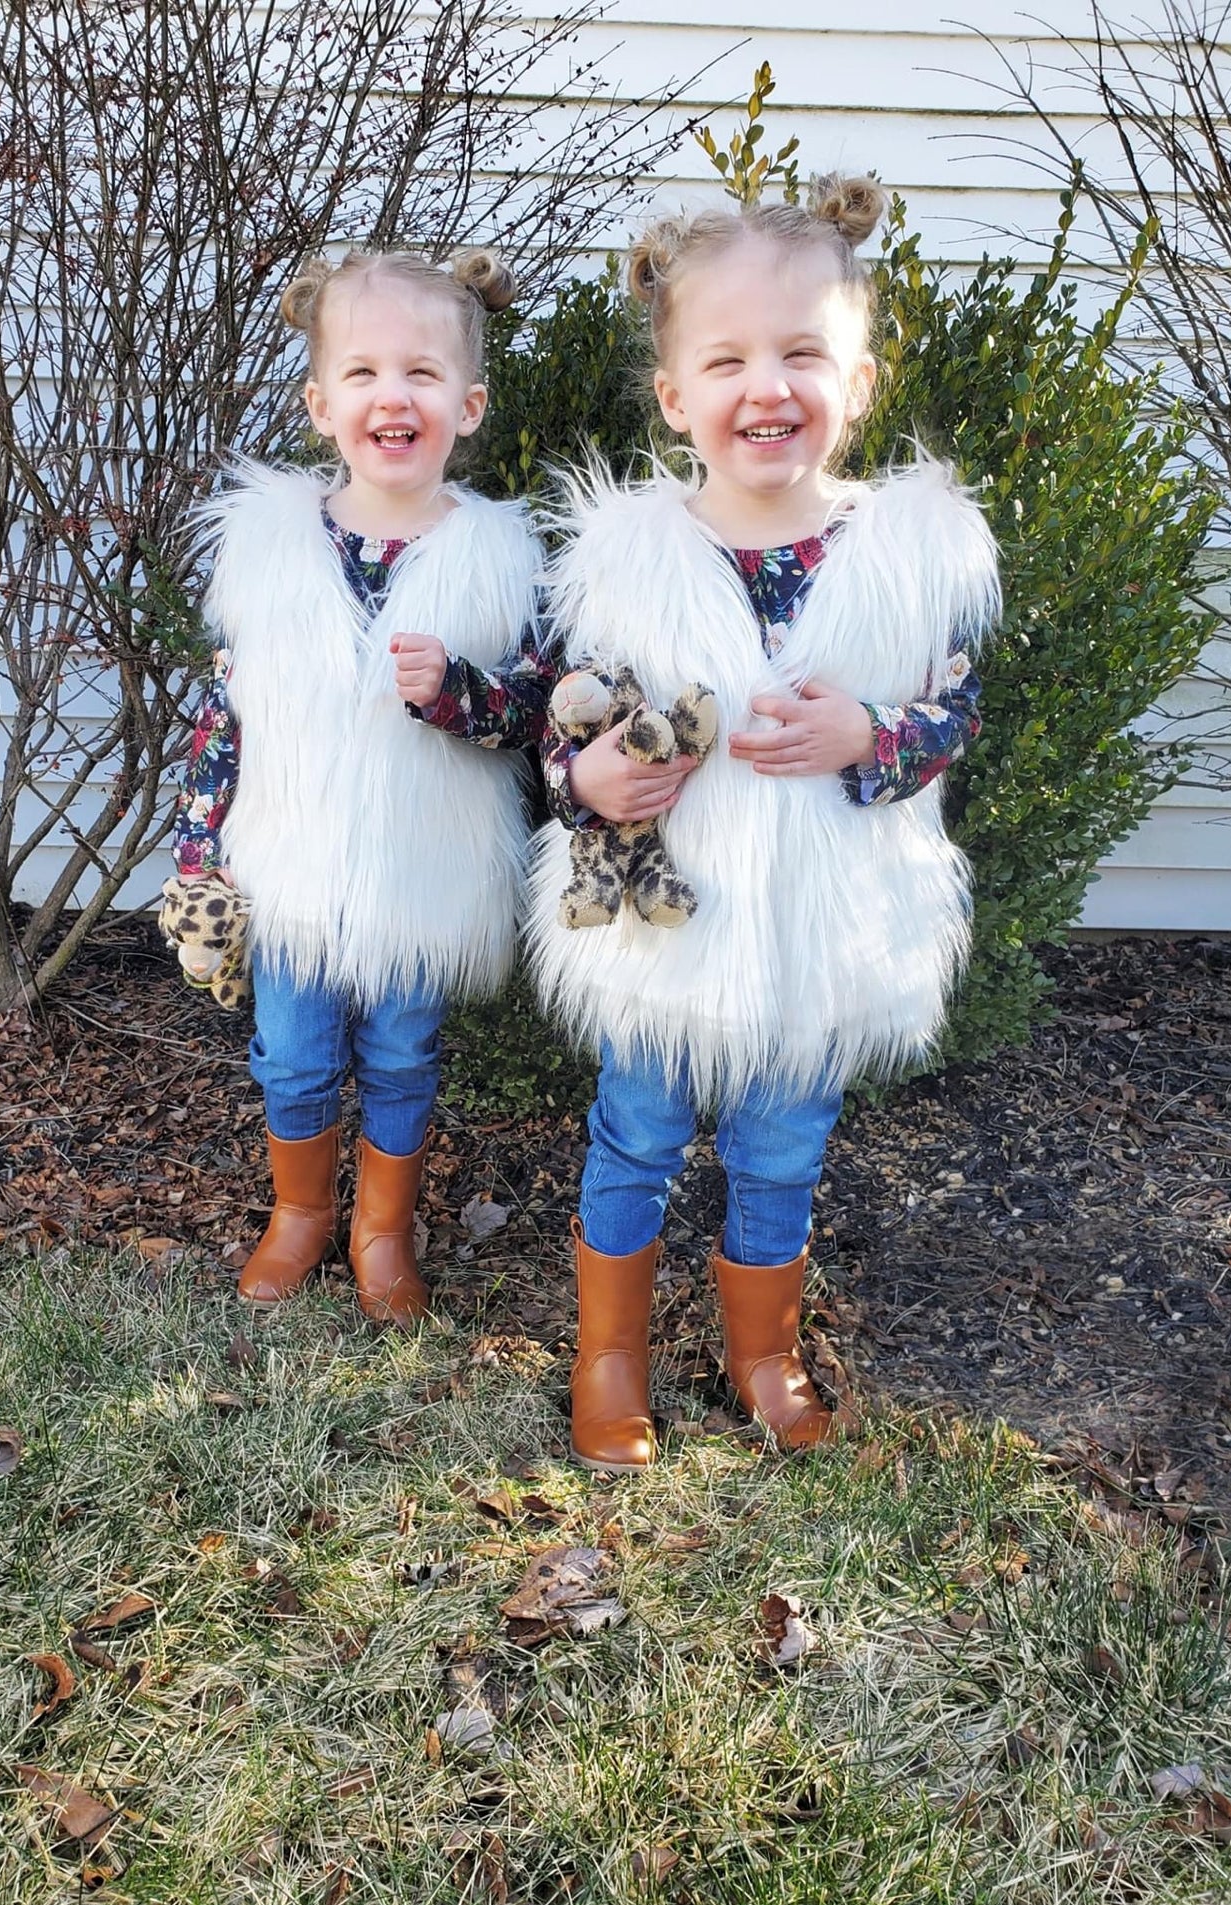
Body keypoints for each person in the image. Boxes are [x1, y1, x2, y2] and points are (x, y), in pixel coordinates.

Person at [529, 176, 1000, 1469]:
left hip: (818, 929)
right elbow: (560, 719)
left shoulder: (906, 555)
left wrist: (867, 735)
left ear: (856, 377)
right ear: (677, 396)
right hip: (662, 923)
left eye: (801, 352)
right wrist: (595, 775)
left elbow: (946, 718)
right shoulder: (626, 557)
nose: (767, 386)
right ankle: (608, 1351)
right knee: (634, 1127)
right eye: (727, 358)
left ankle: (759, 1350)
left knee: (782, 1142)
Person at [173, 247, 550, 1324]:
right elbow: (223, 710)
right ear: (321, 402)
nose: (395, 395)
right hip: (289, 865)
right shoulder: (268, 548)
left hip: (420, 876)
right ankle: (299, 1215)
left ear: (468, 404)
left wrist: (458, 694)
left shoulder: (496, 558)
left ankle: (381, 1231)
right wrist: (200, 858)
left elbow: (537, 711)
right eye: (365, 373)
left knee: (399, 1056)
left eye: (423, 375)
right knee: (291, 1058)